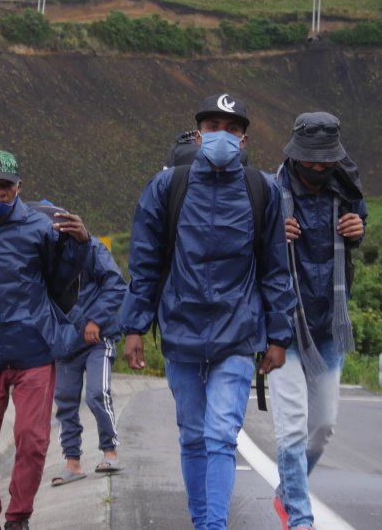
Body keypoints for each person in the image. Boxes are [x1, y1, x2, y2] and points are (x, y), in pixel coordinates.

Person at [119, 93, 297, 530]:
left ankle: (213, 526)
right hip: (180, 328)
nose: (222, 136)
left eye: (232, 129)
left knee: (220, 434)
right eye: (213, 127)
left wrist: (279, 335)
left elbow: (275, 267)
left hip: (238, 332)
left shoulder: (262, 191)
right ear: (198, 135)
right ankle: (203, 522)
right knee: (193, 435)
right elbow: (145, 261)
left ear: (244, 139)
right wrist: (134, 326)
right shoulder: (167, 188)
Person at [0, 151, 91, 530]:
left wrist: (80, 245)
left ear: (19, 186)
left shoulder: (42, 229)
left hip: (34, 352)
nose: (1, 193)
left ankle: (18, 518)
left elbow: (61, 282)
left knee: (32, 439)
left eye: (7, 186)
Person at [268, 111, 367, 530]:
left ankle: (287, 490)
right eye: (310, 158)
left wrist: (358, 230)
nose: (317, 166)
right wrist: (272, 236)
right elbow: (249, 250)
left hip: (327, 326)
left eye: (325, 159)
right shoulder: (271, 192)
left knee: (323, 426)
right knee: (292, 428)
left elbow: (359, 228)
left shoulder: (347, 189)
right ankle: (299, 517)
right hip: (283, 327)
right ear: (295, 153)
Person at [32, 201, 128, 488]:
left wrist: (95, 320)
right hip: (64, 342)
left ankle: (110, 451)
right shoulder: (41, 258)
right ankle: (73, 462)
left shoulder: (94, 249)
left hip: (98, 338)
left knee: (97, 393)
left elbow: (116, 285)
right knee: (65, 401)